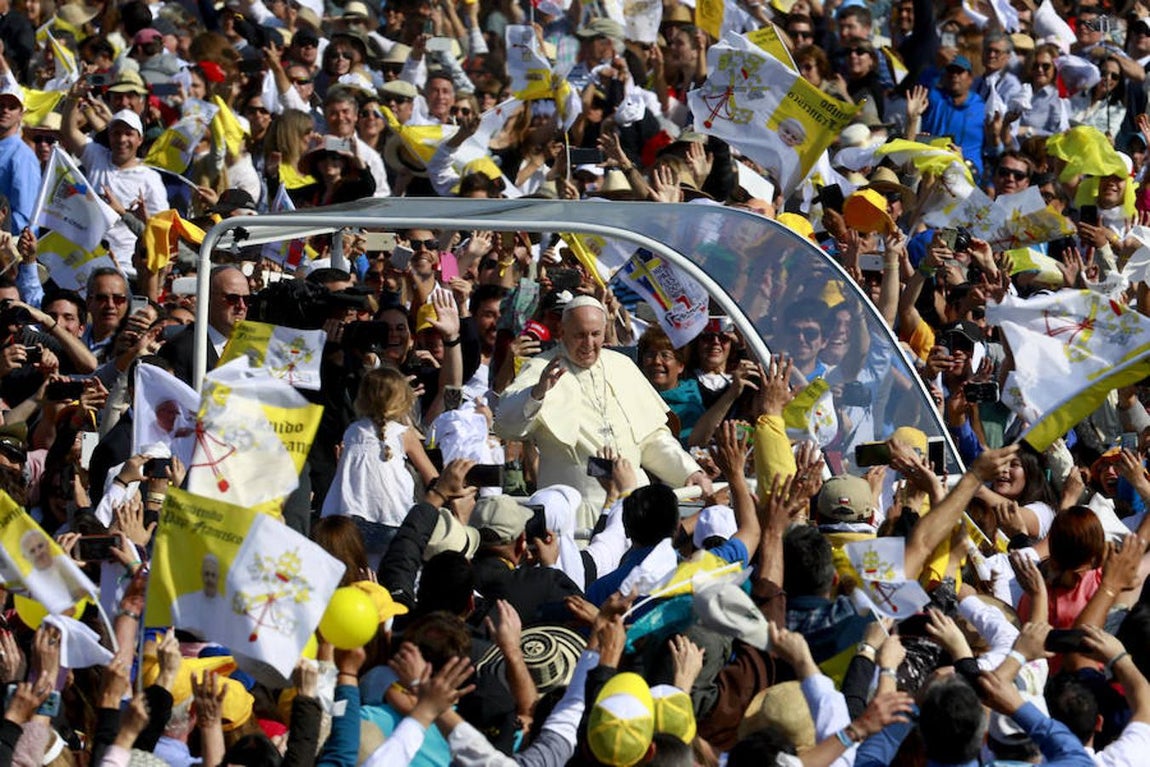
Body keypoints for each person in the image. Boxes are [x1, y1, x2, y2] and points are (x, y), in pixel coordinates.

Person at [495, 295, 710, 529]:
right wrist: (537, 393)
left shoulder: (623, 366)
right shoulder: (541, 369)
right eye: (580, 335)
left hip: (634, 509)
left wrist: (689, 471)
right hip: (576, 515)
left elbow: (652, 439)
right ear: (562, 332)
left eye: (595, 334)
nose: (588, 343)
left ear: (604, 331)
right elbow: (506, 425)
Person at [321, 366, 438, 566]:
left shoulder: (352, 432)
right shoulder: (404, 434)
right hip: (395, 519)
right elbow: (432, 477)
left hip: (354, 522)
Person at [172, 553, 224, 638]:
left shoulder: (225, 606)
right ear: (202, 575)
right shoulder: (188, 602)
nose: (209, 579)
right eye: (207, 574)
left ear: (218, 577)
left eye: (213, 575)